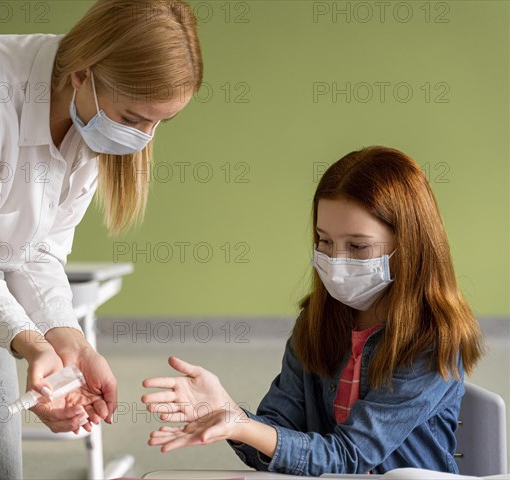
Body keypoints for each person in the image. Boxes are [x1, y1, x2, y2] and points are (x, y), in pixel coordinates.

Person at [0, 1, 203, 478]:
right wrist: (31, 343)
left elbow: (38, 252)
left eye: (158, 123)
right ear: (83, 74)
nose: (143, 139)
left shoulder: (90, 126)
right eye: (132, 117)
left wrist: (72, 346)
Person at [142, 146, 485, 475]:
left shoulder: (432, 340)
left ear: (409, 245)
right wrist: (227, 415)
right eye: (324, 241)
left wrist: (243, 426)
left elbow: (350, 456)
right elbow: (278, 438)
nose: (336, 261)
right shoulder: (318, 322)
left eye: (358, 246)